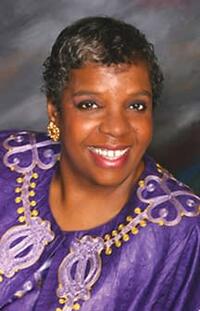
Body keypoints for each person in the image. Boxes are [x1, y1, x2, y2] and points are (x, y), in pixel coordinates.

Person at [0, 16, 199, 311]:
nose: (117, 128)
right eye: (90, 104)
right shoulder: (7, 163)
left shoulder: (184, 232)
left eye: (136, 106)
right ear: (55, 112)